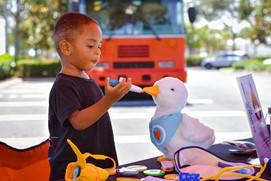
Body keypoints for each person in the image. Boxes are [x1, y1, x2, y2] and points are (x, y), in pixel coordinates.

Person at [48, 12, 131, 180]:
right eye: (90, 46)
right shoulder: (64, 85)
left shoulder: (88, 79)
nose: (97, 52)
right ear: (66, 48)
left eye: (99, 46)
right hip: (74, 171)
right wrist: (108, 100)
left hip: (96, 167)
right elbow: (78, 121)